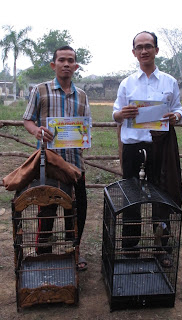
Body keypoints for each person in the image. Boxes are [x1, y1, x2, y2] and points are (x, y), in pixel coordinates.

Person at [113, 31, 182, 267]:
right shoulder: (127, 83)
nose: (144, 51)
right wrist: (121, 114)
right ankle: (130, 248)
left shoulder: (169, 82)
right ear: (134, 52)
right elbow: (116, 113)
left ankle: (161, 248)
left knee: (160, 198)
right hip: (133, 147)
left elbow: (178, 110)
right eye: (139, 47)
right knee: (131, 198)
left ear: (156, 50)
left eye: (148, 46)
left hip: (159, 148)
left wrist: (176, 116)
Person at [23, 45, 91, 271]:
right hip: (48, 163)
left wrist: (84, 137)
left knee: (77, 208)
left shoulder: (81, 95)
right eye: (61, 60)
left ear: (76, 66)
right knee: (47, 207)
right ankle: (43, 252)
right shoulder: (40, 90)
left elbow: (85, 126)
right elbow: (28, 120)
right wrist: (37, 131)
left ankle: (74, 250)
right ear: (53, 65)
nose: (66, 64)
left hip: (75, 163)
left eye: (70, 60)